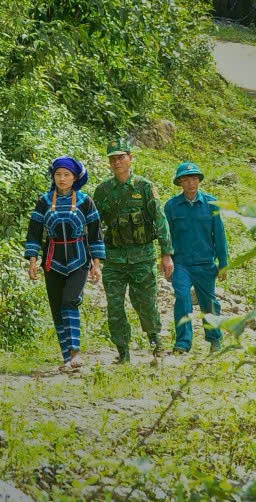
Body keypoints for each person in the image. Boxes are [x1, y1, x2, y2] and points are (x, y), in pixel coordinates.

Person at [91, 137, 173, 363]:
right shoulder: (103, 191)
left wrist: (166, 254)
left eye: (121, 157)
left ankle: (156, 344)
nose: (117, 162)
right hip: (114, 258)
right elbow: (94, 226)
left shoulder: (145, 187)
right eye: (113, 159)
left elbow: (160, 220)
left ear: (130, 158)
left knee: (145, 302)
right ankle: (123, 352)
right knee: (115, 306)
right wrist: (94, 257)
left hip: (142, 256)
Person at [24, 157, 104, 372]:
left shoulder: (85, 201)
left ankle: (75, 352)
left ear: (75, 177)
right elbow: (34, 233)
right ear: (53, 177)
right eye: (58, 174)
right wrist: (32, 260)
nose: (62, 179)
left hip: (79, 259)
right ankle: (66, 357)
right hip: (52, 261)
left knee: (70, 301)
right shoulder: (43, 201)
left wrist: (96, 264)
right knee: (57, 307)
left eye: (66, 175)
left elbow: (95, 234)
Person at [163, 162, 229, 355]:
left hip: (205, 263)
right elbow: (166, 236)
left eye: (194, 179)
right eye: (186, 179)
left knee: (209, 302)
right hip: (181, 263)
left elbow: (220, 235)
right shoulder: (172, 206)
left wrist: (223, 263)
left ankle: (215, 339)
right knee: (182, 297)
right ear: (180, 183)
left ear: (198, 181)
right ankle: (183, 343)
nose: (191, 183)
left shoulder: (210, 204)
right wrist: (165, 258)